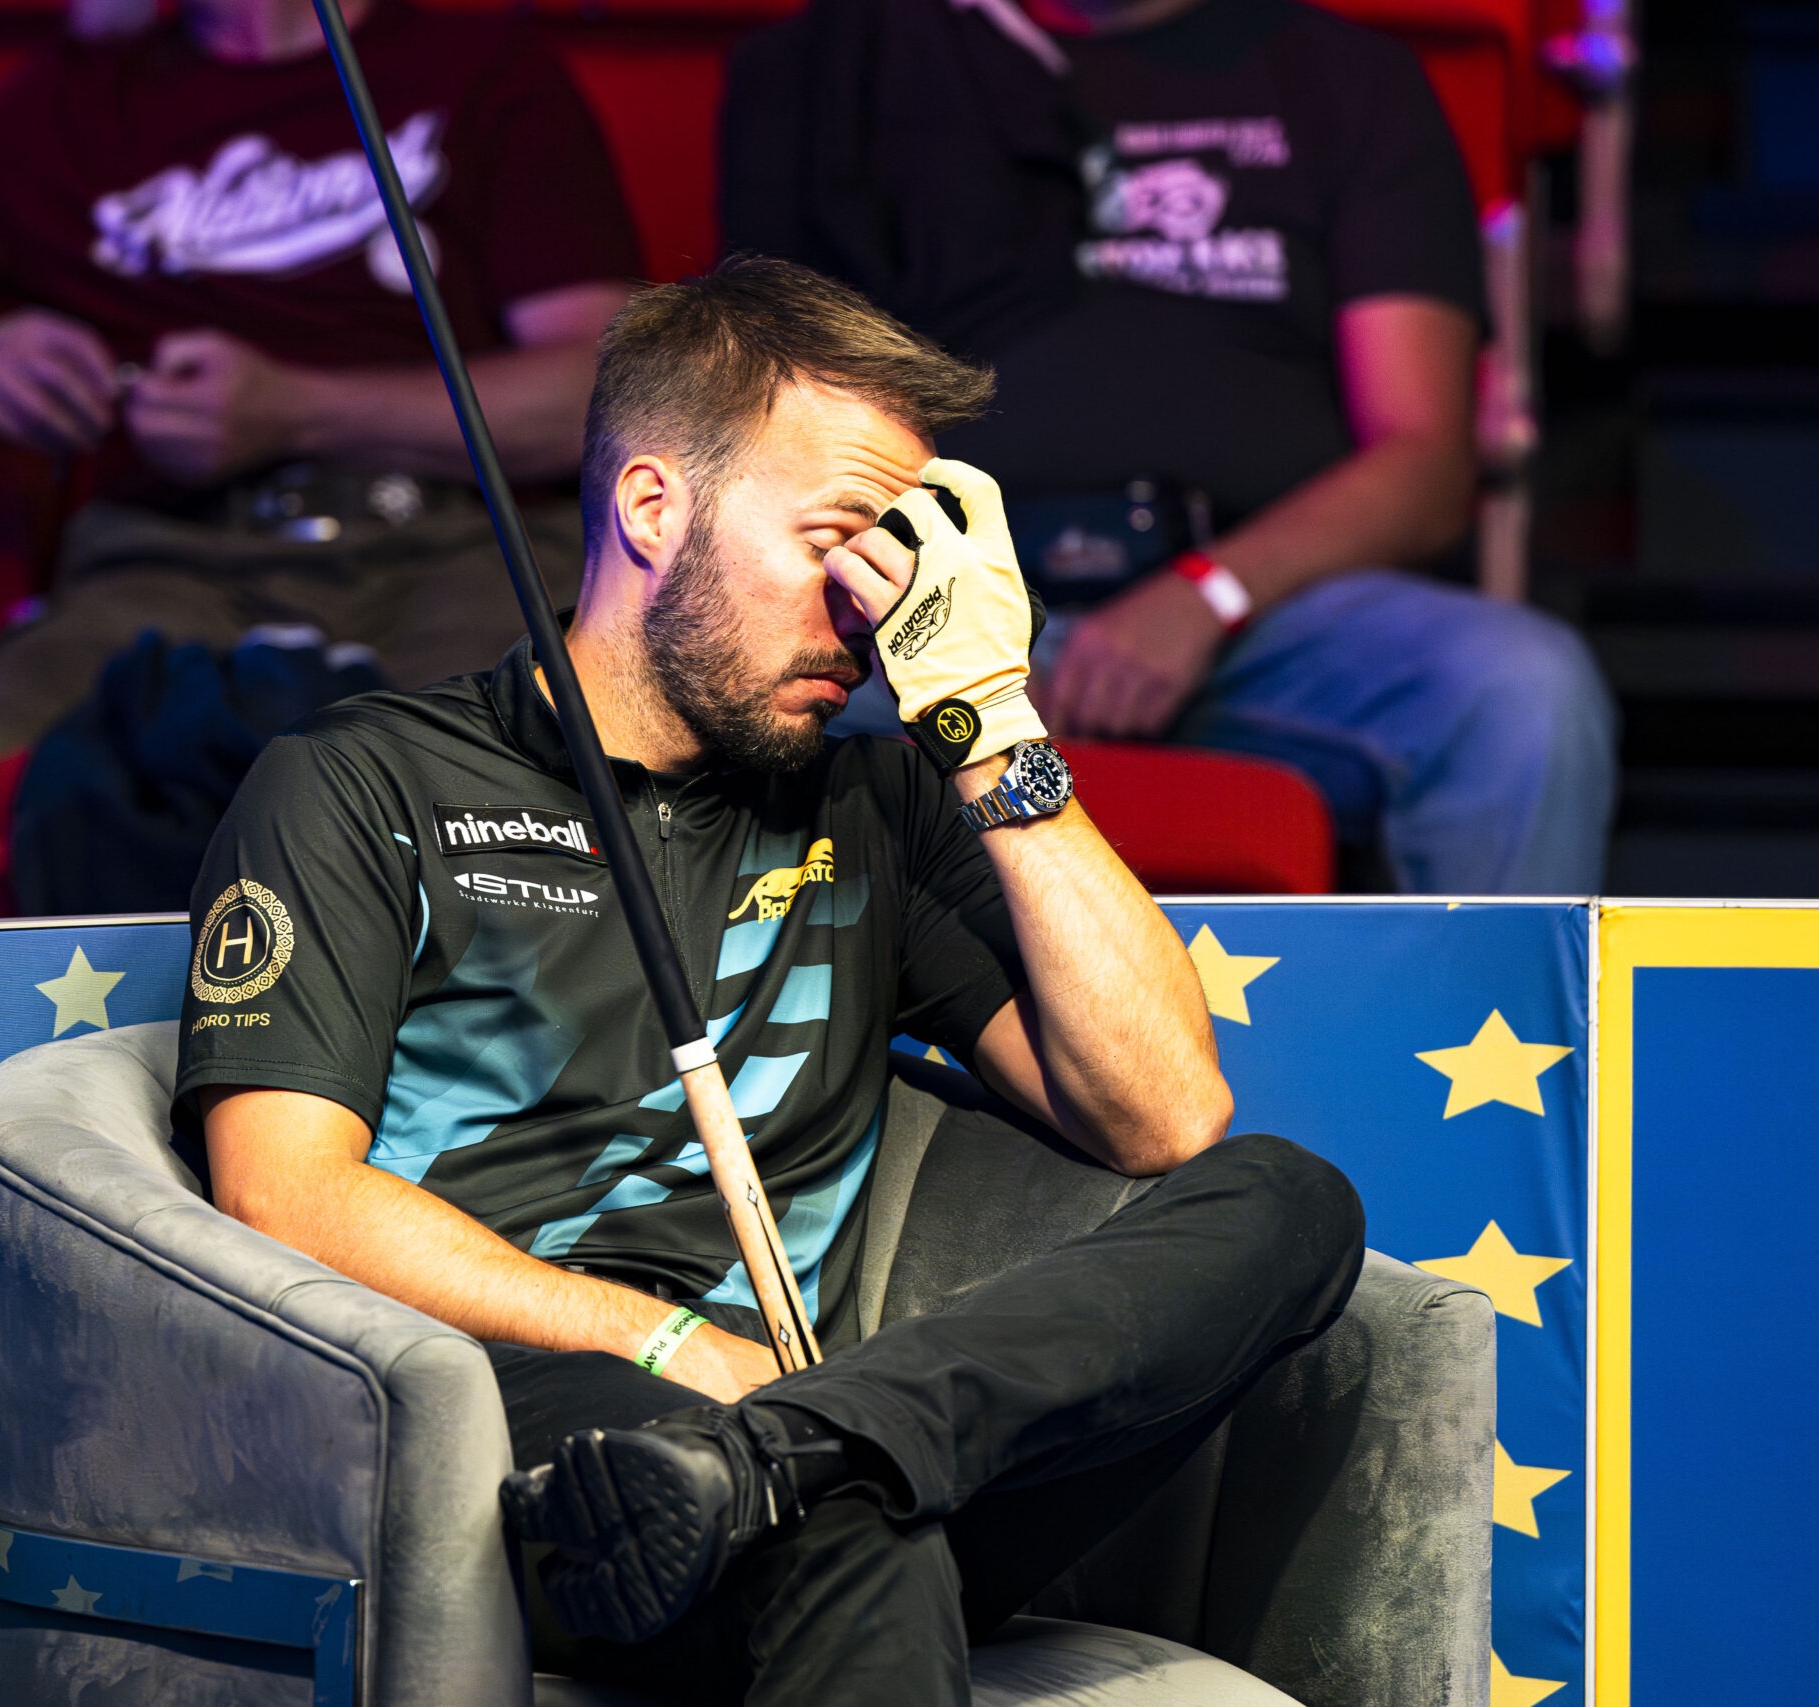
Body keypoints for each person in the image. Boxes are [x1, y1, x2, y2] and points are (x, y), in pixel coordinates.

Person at [174, 257, 1364, 1705]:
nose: (872, 608)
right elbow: (283, 1190)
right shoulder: (368, 780)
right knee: (855, 1527)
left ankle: (801, 1458)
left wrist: (993, 722)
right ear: (653, 508)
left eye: (902, 562)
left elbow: (1162, 1115)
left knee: (1289, 1199)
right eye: (838, 541)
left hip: (820, 1447)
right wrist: (660, 1338)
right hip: (519, 1438)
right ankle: (810, 1463)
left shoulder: (878, 805)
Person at [721, 0, 1618, 893]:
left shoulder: (1348, 80)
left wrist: (1209, 596)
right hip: (913, 603)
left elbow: (1423, 463)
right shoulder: (838, 68)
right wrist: (937, 622)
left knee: (1518, 689)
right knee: (721, 672)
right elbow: (767, 422)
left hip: (1256, 619)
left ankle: (1491, 997)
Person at [0, 0, 640, 853]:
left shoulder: (475, 65)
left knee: (490, 806)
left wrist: (292, 411)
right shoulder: (84, 99)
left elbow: (595, 400)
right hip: (171, 556)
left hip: (458, 546)